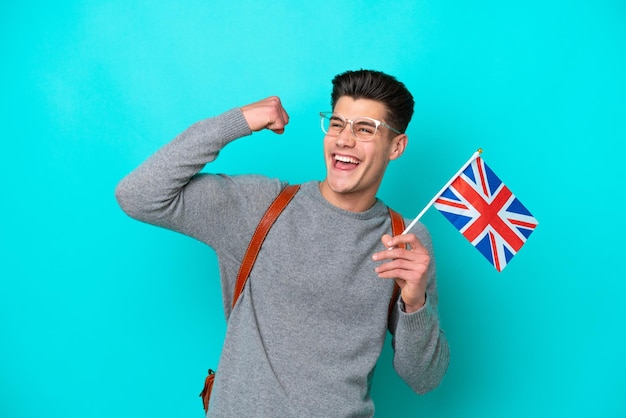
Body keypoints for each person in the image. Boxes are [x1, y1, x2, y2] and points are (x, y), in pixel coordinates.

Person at [115, 69, 450, 417]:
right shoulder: (261, 206)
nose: (344, 140)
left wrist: (415, 301)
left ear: (396, 146)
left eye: (364, 129)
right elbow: (137, 195)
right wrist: (236, 122)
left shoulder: (405, 239)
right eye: (337, 124)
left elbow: (423, 378)